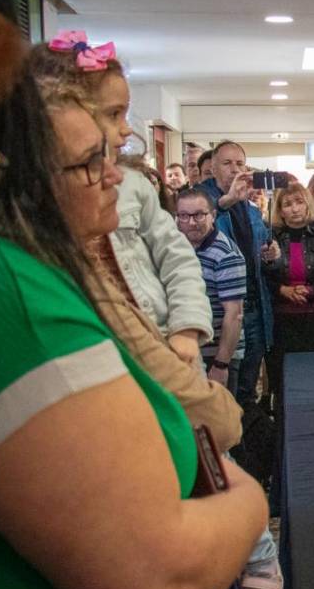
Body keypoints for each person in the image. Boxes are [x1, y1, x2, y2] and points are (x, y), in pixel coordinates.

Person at [0, 2, 268, 589]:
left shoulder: (25, 269)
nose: (114, 169)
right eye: (90, 159)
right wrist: (247, 502)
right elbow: (155, 570)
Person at [30, 36, 214, 367]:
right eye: (114, 114)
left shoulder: (133, 184)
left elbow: (178, 256)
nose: (127, 130)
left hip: (162, 339)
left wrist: (186, 328)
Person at [198, 140, 274, 404]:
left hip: (254, 308)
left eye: (239, 164)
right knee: (221, 390)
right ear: (213, 168)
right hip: (219, 312)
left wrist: (271, 251)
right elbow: (196, 227)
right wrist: (226, 201)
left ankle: (247, 439)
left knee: (247, 387)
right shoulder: (202, 197)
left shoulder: (250, 206)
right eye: (227, 163)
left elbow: (262, 246)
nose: (234, 169)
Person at [263, 181, 314, 393]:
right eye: (287, 204)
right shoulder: (270, 239)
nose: (294, 208)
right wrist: (282, 290)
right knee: (282, 382)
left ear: (307, 205)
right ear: (280, 210)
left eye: (299, 202)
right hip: (281, 321)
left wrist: (311, 290)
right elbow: (262, 278)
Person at [177, 188, 248, 394]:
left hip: (217, 352)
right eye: (184, 216)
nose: (191, 222)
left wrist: (221, 365)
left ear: (213, 215)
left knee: (219, 422)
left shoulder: (226, 255)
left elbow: (234, 315)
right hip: (188, 351)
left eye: (199, 215)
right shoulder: (177, 247)